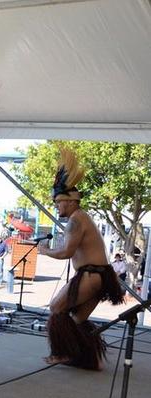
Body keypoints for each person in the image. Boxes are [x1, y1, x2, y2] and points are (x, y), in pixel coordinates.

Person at [38, 148, 124, 370]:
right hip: (99, 276)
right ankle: (85, 358)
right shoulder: (81, 218)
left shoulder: (76, 221)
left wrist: (46, 251)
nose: (56, 207)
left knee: (57, 308)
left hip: (91, 275)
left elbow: (66, 252)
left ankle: (62, 353)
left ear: (69, 201)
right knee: (77, 320)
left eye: (58, 203)